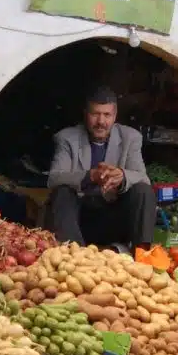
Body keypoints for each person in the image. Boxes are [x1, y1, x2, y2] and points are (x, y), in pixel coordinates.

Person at [45, 87, 155, 249]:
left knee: (143, 190)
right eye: (95, 114)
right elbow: (53, 179)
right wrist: (89, 176)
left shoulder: (130, 137)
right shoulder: (67, 138)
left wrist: (122, 176)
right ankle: (76, 256)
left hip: (113, 217)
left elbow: (143, 177)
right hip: (79, 221)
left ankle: (142, 255)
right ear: (85, 114)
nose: (101, 121)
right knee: (62, 192)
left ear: (115, 116)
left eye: (107, 115)